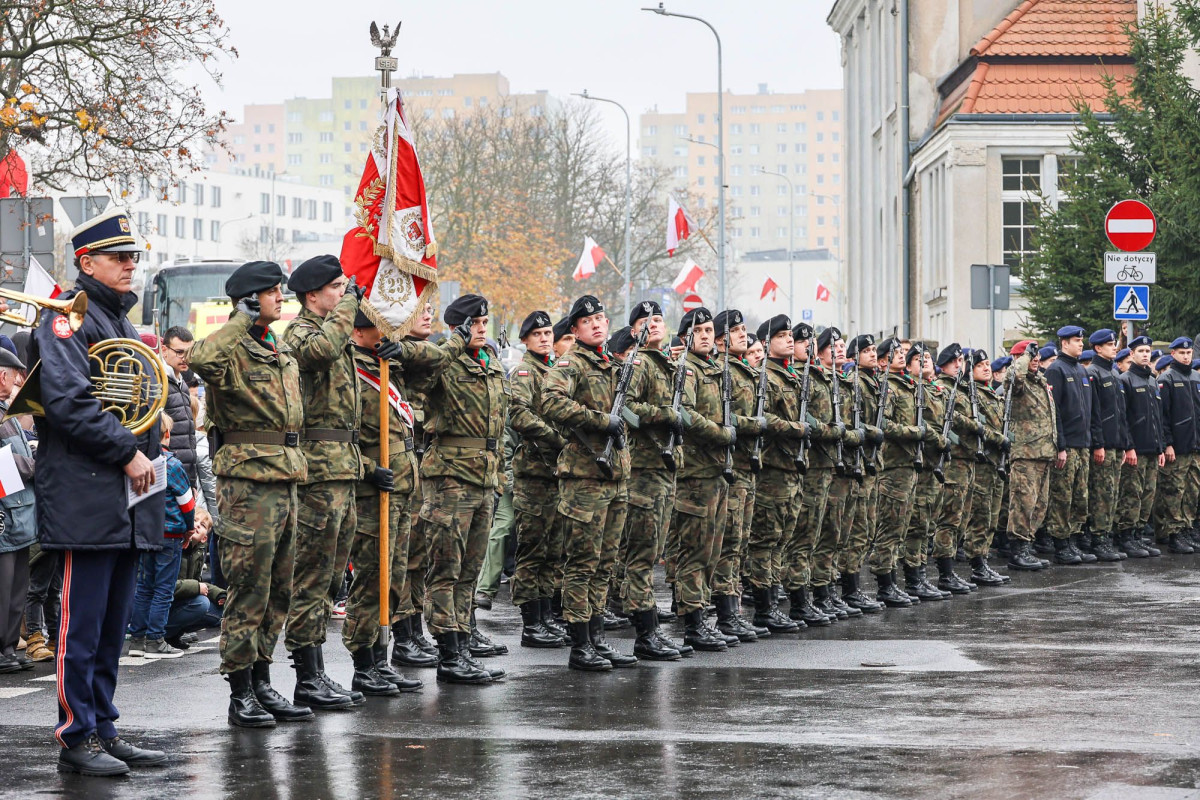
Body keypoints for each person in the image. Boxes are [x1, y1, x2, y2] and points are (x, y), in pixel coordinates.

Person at [33, 209, 167, 774]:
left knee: (112, 625)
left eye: (133, 257)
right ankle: (75, 735)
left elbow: (134, 394)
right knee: (80, 624)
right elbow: (69, 404)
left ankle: (104, 728)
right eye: (119, 257)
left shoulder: (118, 322)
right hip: (88, 492)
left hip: (123, 497)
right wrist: (130, 450)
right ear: (86, 262)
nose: (130, 266)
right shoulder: (68, 318)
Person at [190, 259, 311, 728]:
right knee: (249, 590)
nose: (281, 298)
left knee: (278, 589)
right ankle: (240, 691)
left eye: (281, 290)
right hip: (248, 487)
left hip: (285, 480)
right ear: (247, 299)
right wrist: (239, 318)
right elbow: (200, 359)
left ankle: (262, 681)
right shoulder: (233, 347)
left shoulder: (277, 349)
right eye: (272, 291)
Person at [341, 309, 456, 695]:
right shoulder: (351, 369)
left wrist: (402, 349)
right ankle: (363, 663)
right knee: (372, 579)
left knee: (394, 578)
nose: (389, 332)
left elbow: (437, 359)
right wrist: (368, 468)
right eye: (380, 327)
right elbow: (341, 435)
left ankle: (381, 660)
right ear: (358, 331)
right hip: (373, 488)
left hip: (404, 486)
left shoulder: (388, 364)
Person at [280, 255, 366, 710]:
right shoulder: (302, 334)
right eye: (336, 288)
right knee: (311, 575)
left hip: (342, 466)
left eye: (344, 287)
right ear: (312, 296)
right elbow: (322, 351)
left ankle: (317, 671)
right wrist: (350, 304)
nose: (343, 294)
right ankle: (307, 675)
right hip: (317, 469)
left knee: (333, 576)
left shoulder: (336, 332)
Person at [541, 295, 638, 670]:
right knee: (582, 563)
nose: (597, 324)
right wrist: (599, 421)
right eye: (588, 321)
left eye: (601, 318)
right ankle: (580, 643)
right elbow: (549, 402)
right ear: (576, 329)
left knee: (605, 563)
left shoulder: (612, 365)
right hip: (584, 478)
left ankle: (597, 637)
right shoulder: (571, 363)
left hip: (613, 475)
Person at [418, 294, 507, 683]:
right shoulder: (444, 359)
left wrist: (499, 475)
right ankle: (448, 653)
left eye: (485, 323)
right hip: (451, 478)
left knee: (470, 570)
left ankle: (464, 644)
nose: (482, 330)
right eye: (475, 323)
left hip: (485, 477)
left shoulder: (490, 365)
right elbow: (421, 375)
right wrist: (453, 341)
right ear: (458, 327)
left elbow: (498, 425)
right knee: (446, 569)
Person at [669, 307, 748, 651]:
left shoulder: (715, 369)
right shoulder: (686, 369)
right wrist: (720, 433)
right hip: (694, 475)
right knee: (694, 552)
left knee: (712, 552)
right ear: (686, 336)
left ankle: (704, 617)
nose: (704, 335)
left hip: (716, 474)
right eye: (697, 330)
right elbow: (683, 413)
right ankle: (693, 622)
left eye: (707, 329)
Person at [621, 301, 688, 658]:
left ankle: (651, 631)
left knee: (653, 553)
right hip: (644, 473)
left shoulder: (668, 364)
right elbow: (627, 410)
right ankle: (645, 635)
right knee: (642, 556)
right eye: (646, 321)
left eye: (659, 319)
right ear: (635, 331)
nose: (655, 324)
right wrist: (665, 414)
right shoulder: (639, 363)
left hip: (665, 471)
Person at [506, 310, 570, 649]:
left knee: (553, 550)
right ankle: (531, 623)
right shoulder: (525, 371)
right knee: (532, 550)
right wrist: (556, 437)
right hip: (534, 473)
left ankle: (546, 617)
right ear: (526, 340)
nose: (545, 338)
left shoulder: (555, 370)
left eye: (548, 333)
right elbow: (519, 414)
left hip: (556, 472)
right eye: (538, 334)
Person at [712, 309, 770, 641]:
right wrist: (753, 425)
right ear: (722, 339)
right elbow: (727, 416)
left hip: (746, 466)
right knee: (729, 542)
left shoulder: (743, 370)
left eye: (745, 329)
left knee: (740, 542)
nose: (743, 335)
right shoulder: (723, 371)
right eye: (736, 331)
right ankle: (725, 613)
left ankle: (732, 611)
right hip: (728, 467)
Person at [745, 316, 805, 634]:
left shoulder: (790, 376)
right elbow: (762, 416)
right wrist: (795, 428)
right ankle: (764, 607)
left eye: (789, 335)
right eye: (781, 336)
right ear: (767, 343)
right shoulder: (764, 377)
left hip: (791, 468)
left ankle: (773, 600)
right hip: (772, 469)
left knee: (781, 540)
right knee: (765, 541)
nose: (789, 340)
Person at [126, 412, 197, 660]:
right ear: (167, 434)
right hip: (170, 535)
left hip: (144, 533)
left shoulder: (137, 463)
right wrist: (190, 528)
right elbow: (187, 503)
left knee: (144, 587)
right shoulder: (173, 464)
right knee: (164, 589)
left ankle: (137, 639)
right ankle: (156, 640)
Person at [871, 341, 928, 607]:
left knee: (902, 527)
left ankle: (894, 582)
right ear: (883, 361)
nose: (903, 357)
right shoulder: (888, 386)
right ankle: (885, 584)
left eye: (904, 353)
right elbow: (884, 424)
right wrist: (913, 432)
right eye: (896, 354)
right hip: (893, 466)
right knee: (890, 528)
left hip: (908, 465)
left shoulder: (908, 384)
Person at [929, 344, 980, 594]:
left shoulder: (961, 388)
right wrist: (974, 425)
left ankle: (951, 571)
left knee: (961, 517)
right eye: (956, 361)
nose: (961, 365)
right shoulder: (943, 387)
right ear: (946, 363)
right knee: (948, 518)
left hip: (967, 460)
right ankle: (945, 573)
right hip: (953, 461)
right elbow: (955, 419)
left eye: (962, 360)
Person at [1044, 325, 1095, 565]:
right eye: (1076, 340)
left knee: (1079, 496)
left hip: (1083, 444)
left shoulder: (1081, 370)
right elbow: (1055, 413)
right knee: (1062, 496)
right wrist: (1060, 446)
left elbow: (1089, 410)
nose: (1081, 344)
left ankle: (1073, 539)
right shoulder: (1056, 370)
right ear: (1064, 343)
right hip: (1068, 445)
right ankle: (1061, 543)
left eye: (1081, 340)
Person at [1004, 340, 1056, 571]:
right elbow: (1013, 376)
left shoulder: (1040, 382)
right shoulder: (1019, 382)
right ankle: (1018, 549)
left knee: (1039, 504)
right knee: (1023, 502)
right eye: (1031, 358)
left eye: (1037, 358)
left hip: (1044, 452)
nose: (1035, 360)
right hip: (1025, 452)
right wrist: (1024, 356)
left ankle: (1028, 543)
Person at [0, 347, 35, 673]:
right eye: (14, 375)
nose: (17, 381)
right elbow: (6, 462)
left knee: (15, 589)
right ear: (2, 376)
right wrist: (38, 465)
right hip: (6, 515)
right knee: (4, 587)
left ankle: (9, 649)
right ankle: (3, 650)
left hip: (18, 513)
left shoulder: (5, 411)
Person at [962, 350, 1011, 586]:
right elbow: (976, 425)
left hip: (996, 463)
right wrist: (998, 438)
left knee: (992, 514)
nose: (985, 368)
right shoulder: (971, 394)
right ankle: (976, 564)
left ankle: (983, 559)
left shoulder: (991, 393)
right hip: (982, 462)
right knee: (980, 515)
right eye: (979, 365)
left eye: (986, 364)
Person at [1084, 329, 1130, 561]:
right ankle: (1098, 539)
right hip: (1103, 445)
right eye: (1110, 344)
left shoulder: (1112, 373)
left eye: (1115, 343)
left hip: (1116, 444)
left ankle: (1106, 536)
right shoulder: (1093, 373)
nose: (1114, 347)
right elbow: (1094, 414)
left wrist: (1124, 444)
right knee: (1101, 493)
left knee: (1112, 493)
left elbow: (1121, 415)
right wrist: (1098, 444)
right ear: (1097, 348)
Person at [1116, 336, 1163, 557]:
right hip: (1136, 448)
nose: (1146, 354)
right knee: (1131, 494)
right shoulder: (1126, 380)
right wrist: (1129, 447)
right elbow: (1122, 417)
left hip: (1152, 448)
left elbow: (1158, 418)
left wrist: (1161, 447)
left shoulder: (1152, 380)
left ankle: (1137, 534)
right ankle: (1126, 535)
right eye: (1141, 351)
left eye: (1148, 351)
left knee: (1147, 494)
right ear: (1131, 354)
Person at [1153, 337, 1197, 553]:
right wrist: (1167, 443)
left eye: (1188, 353)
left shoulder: (1197, 378)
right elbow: (1163, 416)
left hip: (1195, 446)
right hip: (1177, 447)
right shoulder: (1168, 379)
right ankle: (1173, 533)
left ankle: (1188, 528)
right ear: (1173, 355)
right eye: (1182, 353)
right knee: (1174, 491)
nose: (1186, 357)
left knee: (1192, 491)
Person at [159, 326, 200, 488]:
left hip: (183, 477)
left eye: (189, 352)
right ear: (164, 350)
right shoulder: (157, 381)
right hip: (169, 476)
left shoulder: (181, 383)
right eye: (179, 352)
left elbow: (189, 438)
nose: (185, 358)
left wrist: (192, 482)